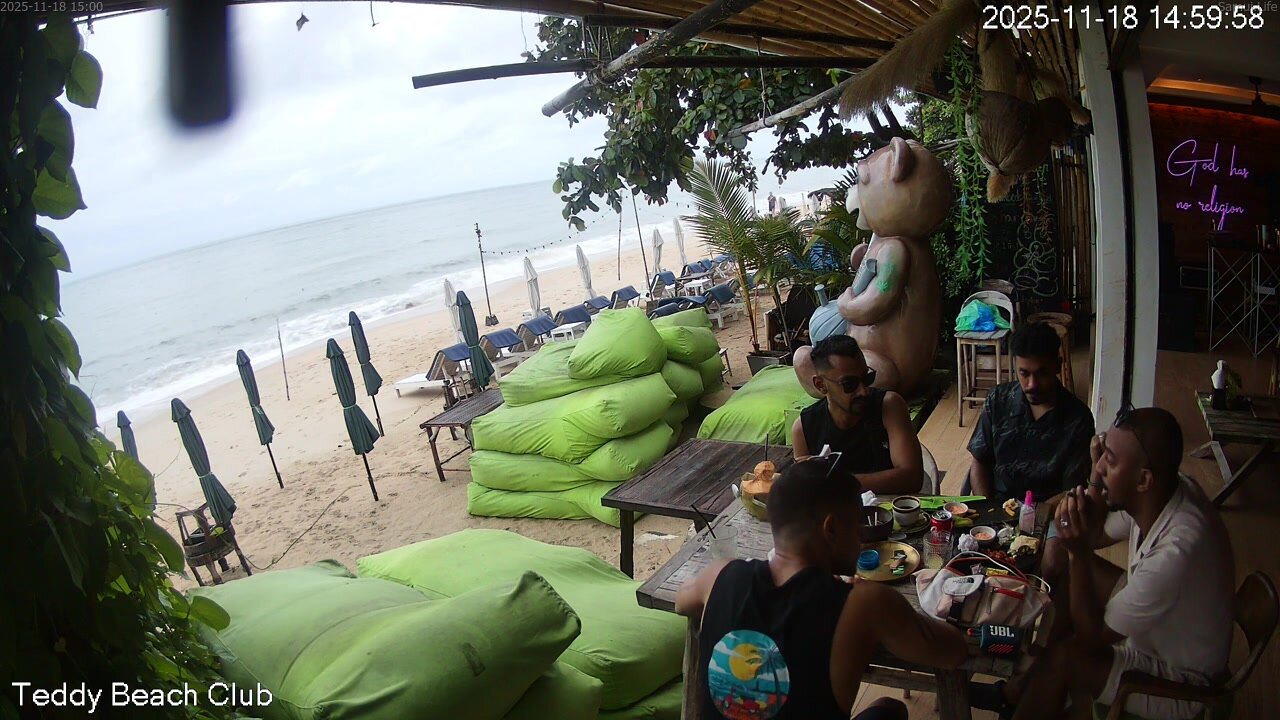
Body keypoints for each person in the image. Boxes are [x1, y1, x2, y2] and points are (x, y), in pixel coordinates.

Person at [989, 407, 1235, 720]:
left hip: (1181, 682)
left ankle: (1043, 681)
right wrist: (1095, 478)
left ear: (1143, 479)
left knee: (1068, 657)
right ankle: (1033, 682)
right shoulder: (1164, 491)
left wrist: (1078, 552)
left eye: (1111, 460)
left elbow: (1090, 639)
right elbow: (1095, 534)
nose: (1101, 464)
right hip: (1162, 629)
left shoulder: (1176, 551)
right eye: (1103, 451)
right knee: (1070, 568)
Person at [676, 458, 967, 719]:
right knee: (892, 709)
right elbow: (953, 652)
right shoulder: (865, 602)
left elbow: (681, 601)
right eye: (857, 528)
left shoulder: (718, 575)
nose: (861, 541)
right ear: (831, 528)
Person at [966, 322, 1094, 502]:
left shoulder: (1078, 419)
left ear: (1057, 366)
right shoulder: (998, 401)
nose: (1032, 384)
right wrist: (987, 508)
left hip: (1049, 512)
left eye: (1041, 373)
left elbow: (1072, 491)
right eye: (1024, 373)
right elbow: (980, 461)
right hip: (997, 506)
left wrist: (1034, 514)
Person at [791, 335, 923, 495]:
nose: (863, 391)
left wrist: (835, 482)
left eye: (867, 378)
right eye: (849, 384)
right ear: (821, 385)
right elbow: (805, 492)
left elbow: (912, 478)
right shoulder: (804, 428)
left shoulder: (889, 406)